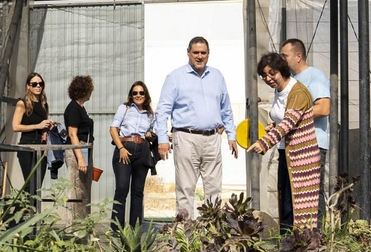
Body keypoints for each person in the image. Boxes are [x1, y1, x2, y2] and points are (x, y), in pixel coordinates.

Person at [156, 36, 238, 220]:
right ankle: (186, 235)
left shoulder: (217, 76)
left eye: (203, 53)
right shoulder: (175, 77)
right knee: (186, 188)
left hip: (212, 138)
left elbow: (226, 108)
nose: (199, 56)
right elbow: (162, 111)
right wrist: (162, 139)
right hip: (186, 138)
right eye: (196, 53)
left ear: (208, 54)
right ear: (188, 53)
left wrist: (231, 135)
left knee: (214, 188)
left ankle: (212, 234)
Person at [251, 52, 320, 231]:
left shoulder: (298, 92)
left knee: (300, 206)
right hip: (286, 152)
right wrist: (273, 125)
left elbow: (289, 123)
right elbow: (283, 120)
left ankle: (302, 249)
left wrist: (264, 142)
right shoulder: (279, 90)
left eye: (272, 73)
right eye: (264, 75)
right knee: (285, 203)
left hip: (302, 157)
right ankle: (286, 249)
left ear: (282, 70)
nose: (268, 78)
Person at [280, 38, 332, 219]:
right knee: (289, 194)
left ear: (298, 56)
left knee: (311, 194)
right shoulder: (289, 81)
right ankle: (288, 240)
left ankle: (315, 240)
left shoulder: (314, 76)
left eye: (284, 56)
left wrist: (293, 118)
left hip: (312, 143)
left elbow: (324, 108)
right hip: (289, 145)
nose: (282, 60)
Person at [109, 79, 157, 228]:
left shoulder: (150, 114)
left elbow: (151, 133)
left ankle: (135, 228)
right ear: (131, 95)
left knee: (137, 191)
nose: (138, 95)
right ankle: (117, 229)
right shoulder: (125, 108)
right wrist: (121, 148)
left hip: (142, 150)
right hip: (125, 147)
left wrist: (150, 135)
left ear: (146, 95)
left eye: (141, 93)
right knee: (122, 189)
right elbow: (113, 129)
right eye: (135, 93)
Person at [11, 71, 52, 199]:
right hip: (26, 148)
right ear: (28, 86)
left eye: (41, 84)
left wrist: (47, 128)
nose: (38, 86)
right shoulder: (22, 103)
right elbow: (15, 126)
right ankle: (14, 217)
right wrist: (38, 125)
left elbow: (42, 127)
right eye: (34, 84)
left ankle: (33, 216)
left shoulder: (44, 105)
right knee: (30, 186)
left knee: (37, 187)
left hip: (41, 149)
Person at [64, 75, 95, 220]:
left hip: (85, 149)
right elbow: (72, 134)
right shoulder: (73, 108)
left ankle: (84, 224)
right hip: (77, 150)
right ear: (84, 90)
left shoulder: (81, 108)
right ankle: (74, 228)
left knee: (84, 190)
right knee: (76, 189)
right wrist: (81, 159)